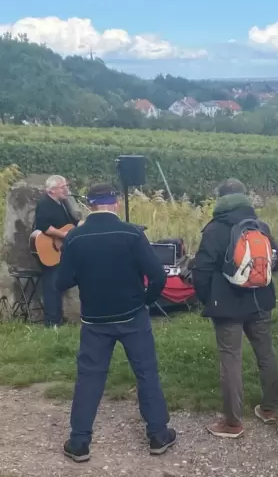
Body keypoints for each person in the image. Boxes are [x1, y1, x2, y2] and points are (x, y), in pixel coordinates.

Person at [55, 183, 175, 462]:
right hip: (133, 314)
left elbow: (62, 282)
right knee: (146, 373)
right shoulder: (131, 233)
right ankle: (157, 434)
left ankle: (79, 441)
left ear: (90, 205)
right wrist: (145, 300)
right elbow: (158, 276)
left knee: (89, 378)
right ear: (116, 203)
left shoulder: (75, 237)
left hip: (95, 319)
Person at [193, 178, 278, 438]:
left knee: (231, 360)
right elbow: (275, 263)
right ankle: (270, 409)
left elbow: (201, 270)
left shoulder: (214, 229)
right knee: (266, 353)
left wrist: (207, 298)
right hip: (260, 301)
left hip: (226, 305)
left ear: (220, 199)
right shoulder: (260, 226)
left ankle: (232, 423)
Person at [33, 175, 80, 327]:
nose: (66, 189)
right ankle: (52, 322)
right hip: (49, 248)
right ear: (52, 190)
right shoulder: (45, 204)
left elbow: (71, 224)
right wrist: (63, 235)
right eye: (63, 187)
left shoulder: (63, 203)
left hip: (63, 250)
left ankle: (58, 318)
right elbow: (44, 226)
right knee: (52, 285)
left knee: (59, 283)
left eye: (66, 186)